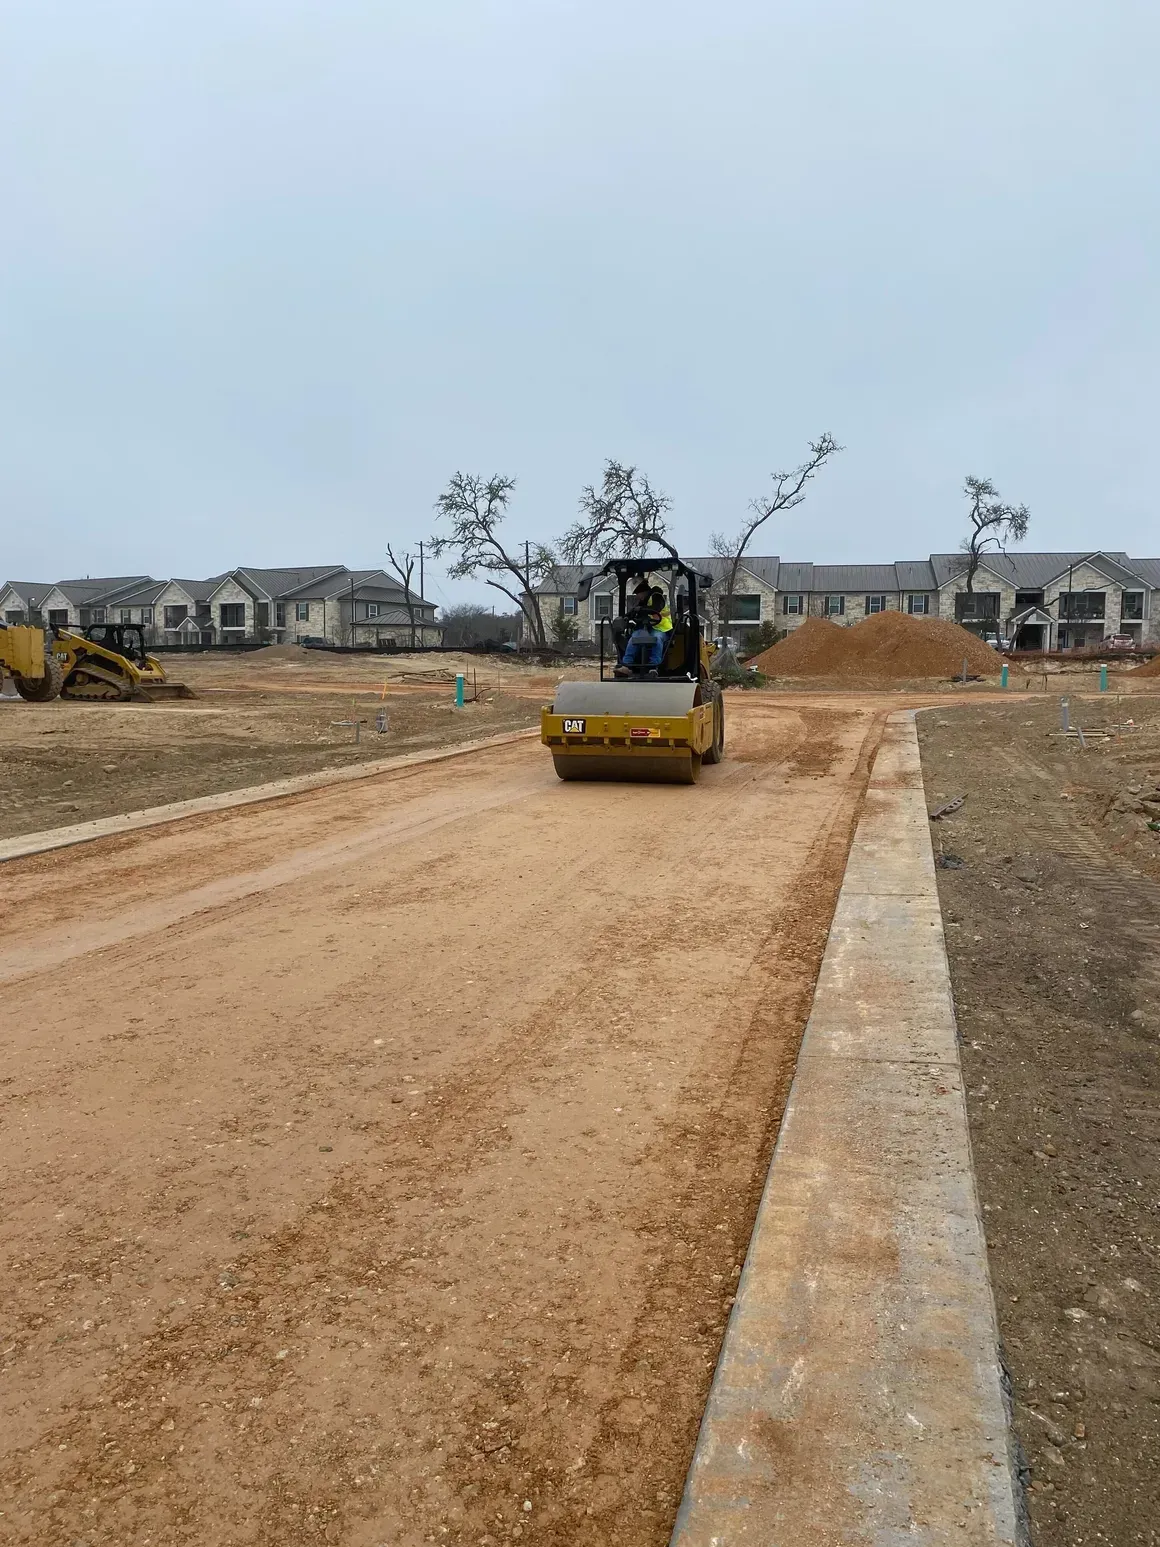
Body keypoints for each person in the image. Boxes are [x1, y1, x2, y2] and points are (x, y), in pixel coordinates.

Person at [614, 582, 672, 676]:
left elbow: (656, 608)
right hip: (646, 628)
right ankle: (627, 666)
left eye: (638, 594)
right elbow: (634, 611)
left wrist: (641, 609)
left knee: (657, 639)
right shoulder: (643, 601)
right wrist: (626, 617)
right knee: (634, 638)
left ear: (644, 592)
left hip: (661, 628)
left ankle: (653, 667)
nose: (637, 597)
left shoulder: (657, 597)